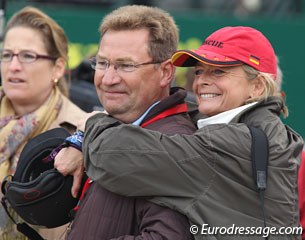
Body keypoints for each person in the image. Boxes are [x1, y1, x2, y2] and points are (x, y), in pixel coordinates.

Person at [61, 26, 304, 239]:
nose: (202, 82)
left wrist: (91, 124)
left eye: (219, 71)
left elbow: (113, 154)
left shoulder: (235, 141)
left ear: (257, 86)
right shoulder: (259, 129)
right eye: (199, 71)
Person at [55, 5, 196, 239]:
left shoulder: (174, 145)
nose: (108, 79)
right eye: (102, 63)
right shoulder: (111, 126)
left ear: (165, 73)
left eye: (126, 65)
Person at [0, 6, 86, 239]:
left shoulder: (81, 132)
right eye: (7, 55)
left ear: (57, 67)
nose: (13, 66)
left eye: (28, 56)